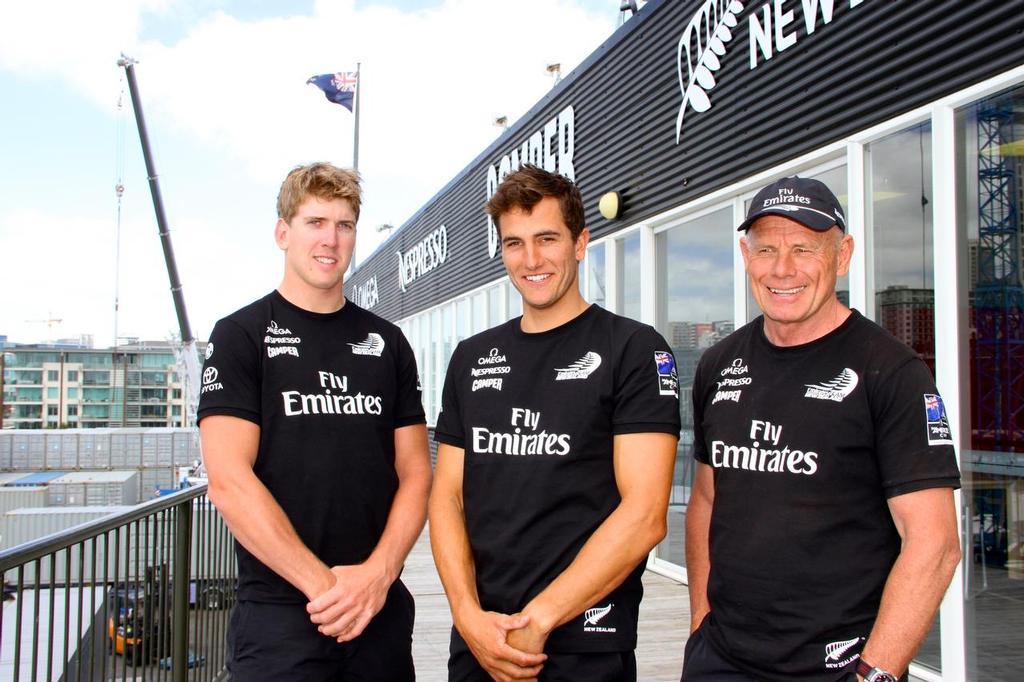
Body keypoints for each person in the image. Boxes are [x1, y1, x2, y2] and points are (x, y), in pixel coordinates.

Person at [682, 176, 961, 682]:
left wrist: (876, 673)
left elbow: (935, 543)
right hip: (721, 660)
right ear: (746, 257)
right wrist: (701, 621)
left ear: (843, 254)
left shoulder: (891, 372)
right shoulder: (718, 365)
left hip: (838, 668)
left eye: (804, 249)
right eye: (765, 248)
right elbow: (705, 499)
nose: (782, 269)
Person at [429, 164, 681, 682]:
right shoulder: (472, 357)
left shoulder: (632, 350)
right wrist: (465, 613)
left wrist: (539, 619)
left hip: (584, 643)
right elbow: (447, 496)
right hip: (480, 639)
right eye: (514, 243)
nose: (532, 260)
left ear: (581, 242)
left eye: (547, 238)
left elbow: (646, 513)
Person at [198, 162, 431, 681]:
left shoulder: (387, 342)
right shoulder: (242, 336)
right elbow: (229, 483)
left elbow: (416, 472)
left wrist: (378, 575)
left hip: (379, 608)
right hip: (282, 615)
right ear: (283, 232)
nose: (331, 239)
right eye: (315, 222)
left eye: (344, 225)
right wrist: (326, 589)